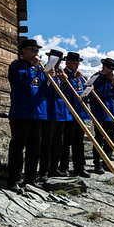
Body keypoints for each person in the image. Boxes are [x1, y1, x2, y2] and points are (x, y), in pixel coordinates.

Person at [7, 39, 48, 194]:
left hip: (37, 114)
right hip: (21, 113)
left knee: (34, 149)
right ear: (23, 50)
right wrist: (34, 67)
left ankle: (30, 179)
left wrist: (50, 78)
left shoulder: (38, 70)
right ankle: (13, 180)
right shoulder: (16, 66)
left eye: (37, 51)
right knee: (17, 148)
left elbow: (46, 90)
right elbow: (24, 81)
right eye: (33, 50)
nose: (36, 53)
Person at [38, 49, 71, 181]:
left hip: (60, 112)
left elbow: (67, 93)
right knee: (47, 143)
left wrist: (64, 80)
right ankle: (44, 171)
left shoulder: (59, 73)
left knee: (58, 142)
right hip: (50, 112)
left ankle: (54, 168)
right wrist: (49, 79)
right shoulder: (44, 71)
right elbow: (44, 90)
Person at [58, 52, 90, 178]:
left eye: (77, 64)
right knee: (66, 142)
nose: (76, 66)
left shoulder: (79, 76)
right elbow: (66, 92)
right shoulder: (64, 75)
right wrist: (75, 79)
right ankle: (63, 167)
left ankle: (79, 167)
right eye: (73, 63)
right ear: (67, 63)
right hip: (69, 113)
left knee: (78, 142)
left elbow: (82, 92)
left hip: (79, 112)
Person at [89, 58, 114, 175]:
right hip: (101, 112)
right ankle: (97, 163)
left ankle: (107, 162)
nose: (112, 72)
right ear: (105, 68)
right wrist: (108, 83)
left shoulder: (110, 79)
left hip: (112, 112)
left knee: (110, 139)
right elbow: (102, 93)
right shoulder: (97, 77)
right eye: (110, 69)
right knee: (99, 138)